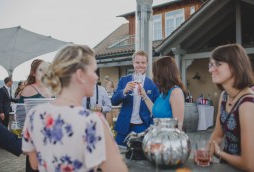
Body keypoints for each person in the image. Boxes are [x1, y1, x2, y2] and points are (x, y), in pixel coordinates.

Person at [22, 44, 128, 172]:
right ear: (80, 75)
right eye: (93, 71)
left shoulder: (34, 115)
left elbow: (34, 163)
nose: (96, 77)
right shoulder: (93, 122)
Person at [207, 44, 254, 171]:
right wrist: (206, 154)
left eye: (218, 64)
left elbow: (250, 164)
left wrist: (220, 153)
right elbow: (217, 135)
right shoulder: (224, 96)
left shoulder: (248, 104)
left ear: (235, 66)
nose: (211, 70)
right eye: (211, 64)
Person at [111, 50, 159, 146]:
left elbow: (156, 109)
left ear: (147, 64)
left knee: (139, 157)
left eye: (143, 62)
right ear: (133, 63)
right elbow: (113, 101)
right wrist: (124, 91)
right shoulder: (124, 80)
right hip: (124, 126)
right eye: (137, 62)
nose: (140, 65)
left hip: (142, 127)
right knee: (119, 154)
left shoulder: (153, 84)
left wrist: (150, 127)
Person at [138, 56, 186, 129]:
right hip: (159, 136)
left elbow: (178, 126)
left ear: (162, 73)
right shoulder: (164, 92)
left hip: (168, 139)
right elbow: (155, 111)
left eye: (155, 72)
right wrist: (144, 96)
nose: (153, 76)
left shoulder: (176, 92)